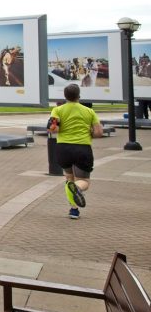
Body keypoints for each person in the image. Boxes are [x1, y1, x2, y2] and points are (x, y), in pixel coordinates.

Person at [50, 84, 102, 219]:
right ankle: (78, 189)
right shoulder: (89, 111)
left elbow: (53, 129)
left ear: (65, 96)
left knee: (69, 179)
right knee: (83, 180)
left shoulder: (57, 110)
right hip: (82, 148)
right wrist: (89, 131)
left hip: (63, 149)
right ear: (79, 95)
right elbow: (98, 132)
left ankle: (74, 209)